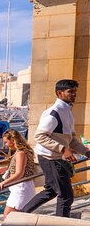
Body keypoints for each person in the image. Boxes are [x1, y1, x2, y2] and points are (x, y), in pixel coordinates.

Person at [23, 79, 90, 217]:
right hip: (49, 158)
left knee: (51, 191)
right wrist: (62, 149)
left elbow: (71, 140)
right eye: (70, 91)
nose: (74, 94)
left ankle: (20, 213)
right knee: (66, 196)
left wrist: (86, 152)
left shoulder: (68, 113)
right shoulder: (54, 113)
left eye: (75, 91)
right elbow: (39, 136)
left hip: (55, 158)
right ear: (59, 93)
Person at [0, 129, 37, 218]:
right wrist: (6, 169)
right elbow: (23, 167)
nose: (6, 145)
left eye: (6, 142)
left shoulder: (20, 153)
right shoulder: (24, 151)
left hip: (21, 189)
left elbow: (19, 174)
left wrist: (3, 183)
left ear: (13, 140)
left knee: (8, 216)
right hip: (24, 187)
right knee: (19, 218)